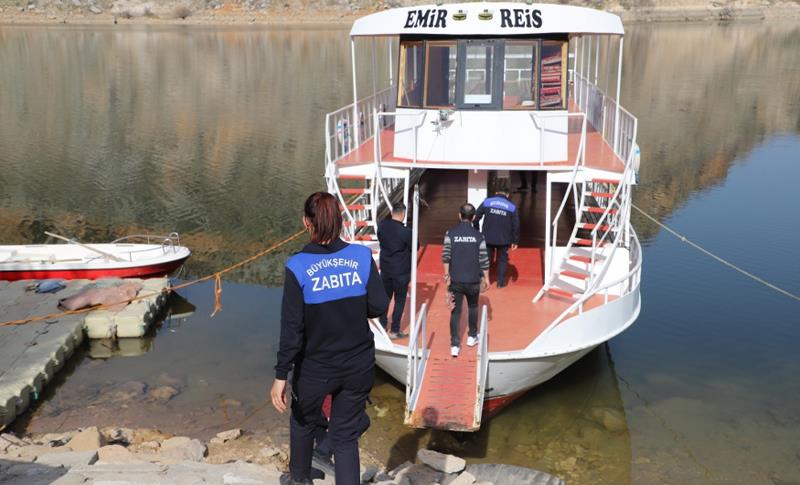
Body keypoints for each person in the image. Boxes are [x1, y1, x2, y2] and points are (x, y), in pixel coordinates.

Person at [271, 192, 389, 485]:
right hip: (359, 365)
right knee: (345, 436)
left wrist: (280, 374)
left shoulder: (297, 267)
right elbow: (378, 306)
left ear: (306, 223)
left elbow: (292, 329)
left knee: (302, 423)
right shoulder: (361, 256)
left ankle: (299, 480)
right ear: (339, 221)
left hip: (316, 368)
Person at [442, 203, 490, 358]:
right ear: (474, 217)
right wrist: (487, 278)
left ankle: (455, 345)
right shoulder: (479, 236)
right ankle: (472, 337)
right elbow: (484, 259)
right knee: (473, 307)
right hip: (473, 280)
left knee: (456, 311)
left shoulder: (450, 234)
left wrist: (447, 276)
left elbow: (446, 256)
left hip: (455, 280)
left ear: (459, 215)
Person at [377, 203, 412, 339]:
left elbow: (380, 239)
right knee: (400, 300)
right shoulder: (406, 232)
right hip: (401, 271)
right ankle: (394, 330)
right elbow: (415, 247)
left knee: (385, 297)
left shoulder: (382, 226)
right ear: (403, 214)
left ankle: (382, 323)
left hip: (386, 269)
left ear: (392, 212)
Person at [473, 188, 520, 288]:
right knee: (502, 260)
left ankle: (483, 281)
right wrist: (515, 240)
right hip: (504, 239)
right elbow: (516, 225)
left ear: (495, 193)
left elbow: (476, 217)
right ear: (507, 195)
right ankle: (500, 283)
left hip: (487, 237)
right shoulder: (511, 206)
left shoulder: (487, 202)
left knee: (485, 259)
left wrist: (477, 230)